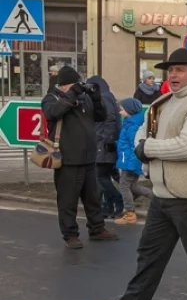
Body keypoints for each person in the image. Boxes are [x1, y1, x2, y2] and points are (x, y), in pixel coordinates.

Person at [93, 48, 187, 300]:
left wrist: (147, 149)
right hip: (163, 193)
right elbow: (144, 130)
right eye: (170, 70)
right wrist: (143, 144)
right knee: (149, 254)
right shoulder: (163, 102)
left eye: (180, 70)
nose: (173, 75)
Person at [41, 66, 119, 249]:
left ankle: (97, 228)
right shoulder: (51, 98)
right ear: (65, 86)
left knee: (93, 197)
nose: (78, 88)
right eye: (74, 85)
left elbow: (101, 116)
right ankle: (70, 235)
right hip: (67, 159)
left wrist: (96, 97)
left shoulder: (84, 99)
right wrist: (72, 95)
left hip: (89, 157)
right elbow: (53, 113)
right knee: (68, 200)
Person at [86, 75, 123, 219]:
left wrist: (105, 140)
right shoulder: (107, 96)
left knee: (100, 176)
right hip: (105, 143)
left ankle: (117, 199)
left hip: (104, 144)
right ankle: (108, 208)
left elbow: (109, 120)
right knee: (104, 176)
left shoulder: (104, 97)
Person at [114, 98, 153, 225]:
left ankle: (130, 212)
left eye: (122, 109)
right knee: (132, 186)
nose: (120, 112)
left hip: (130, 161)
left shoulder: (132, 126)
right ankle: (156, 197)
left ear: (130, 110)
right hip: (130, 159)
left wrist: (128, 163)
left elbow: (133, 145)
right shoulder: (130, 122)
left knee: (124, 185)